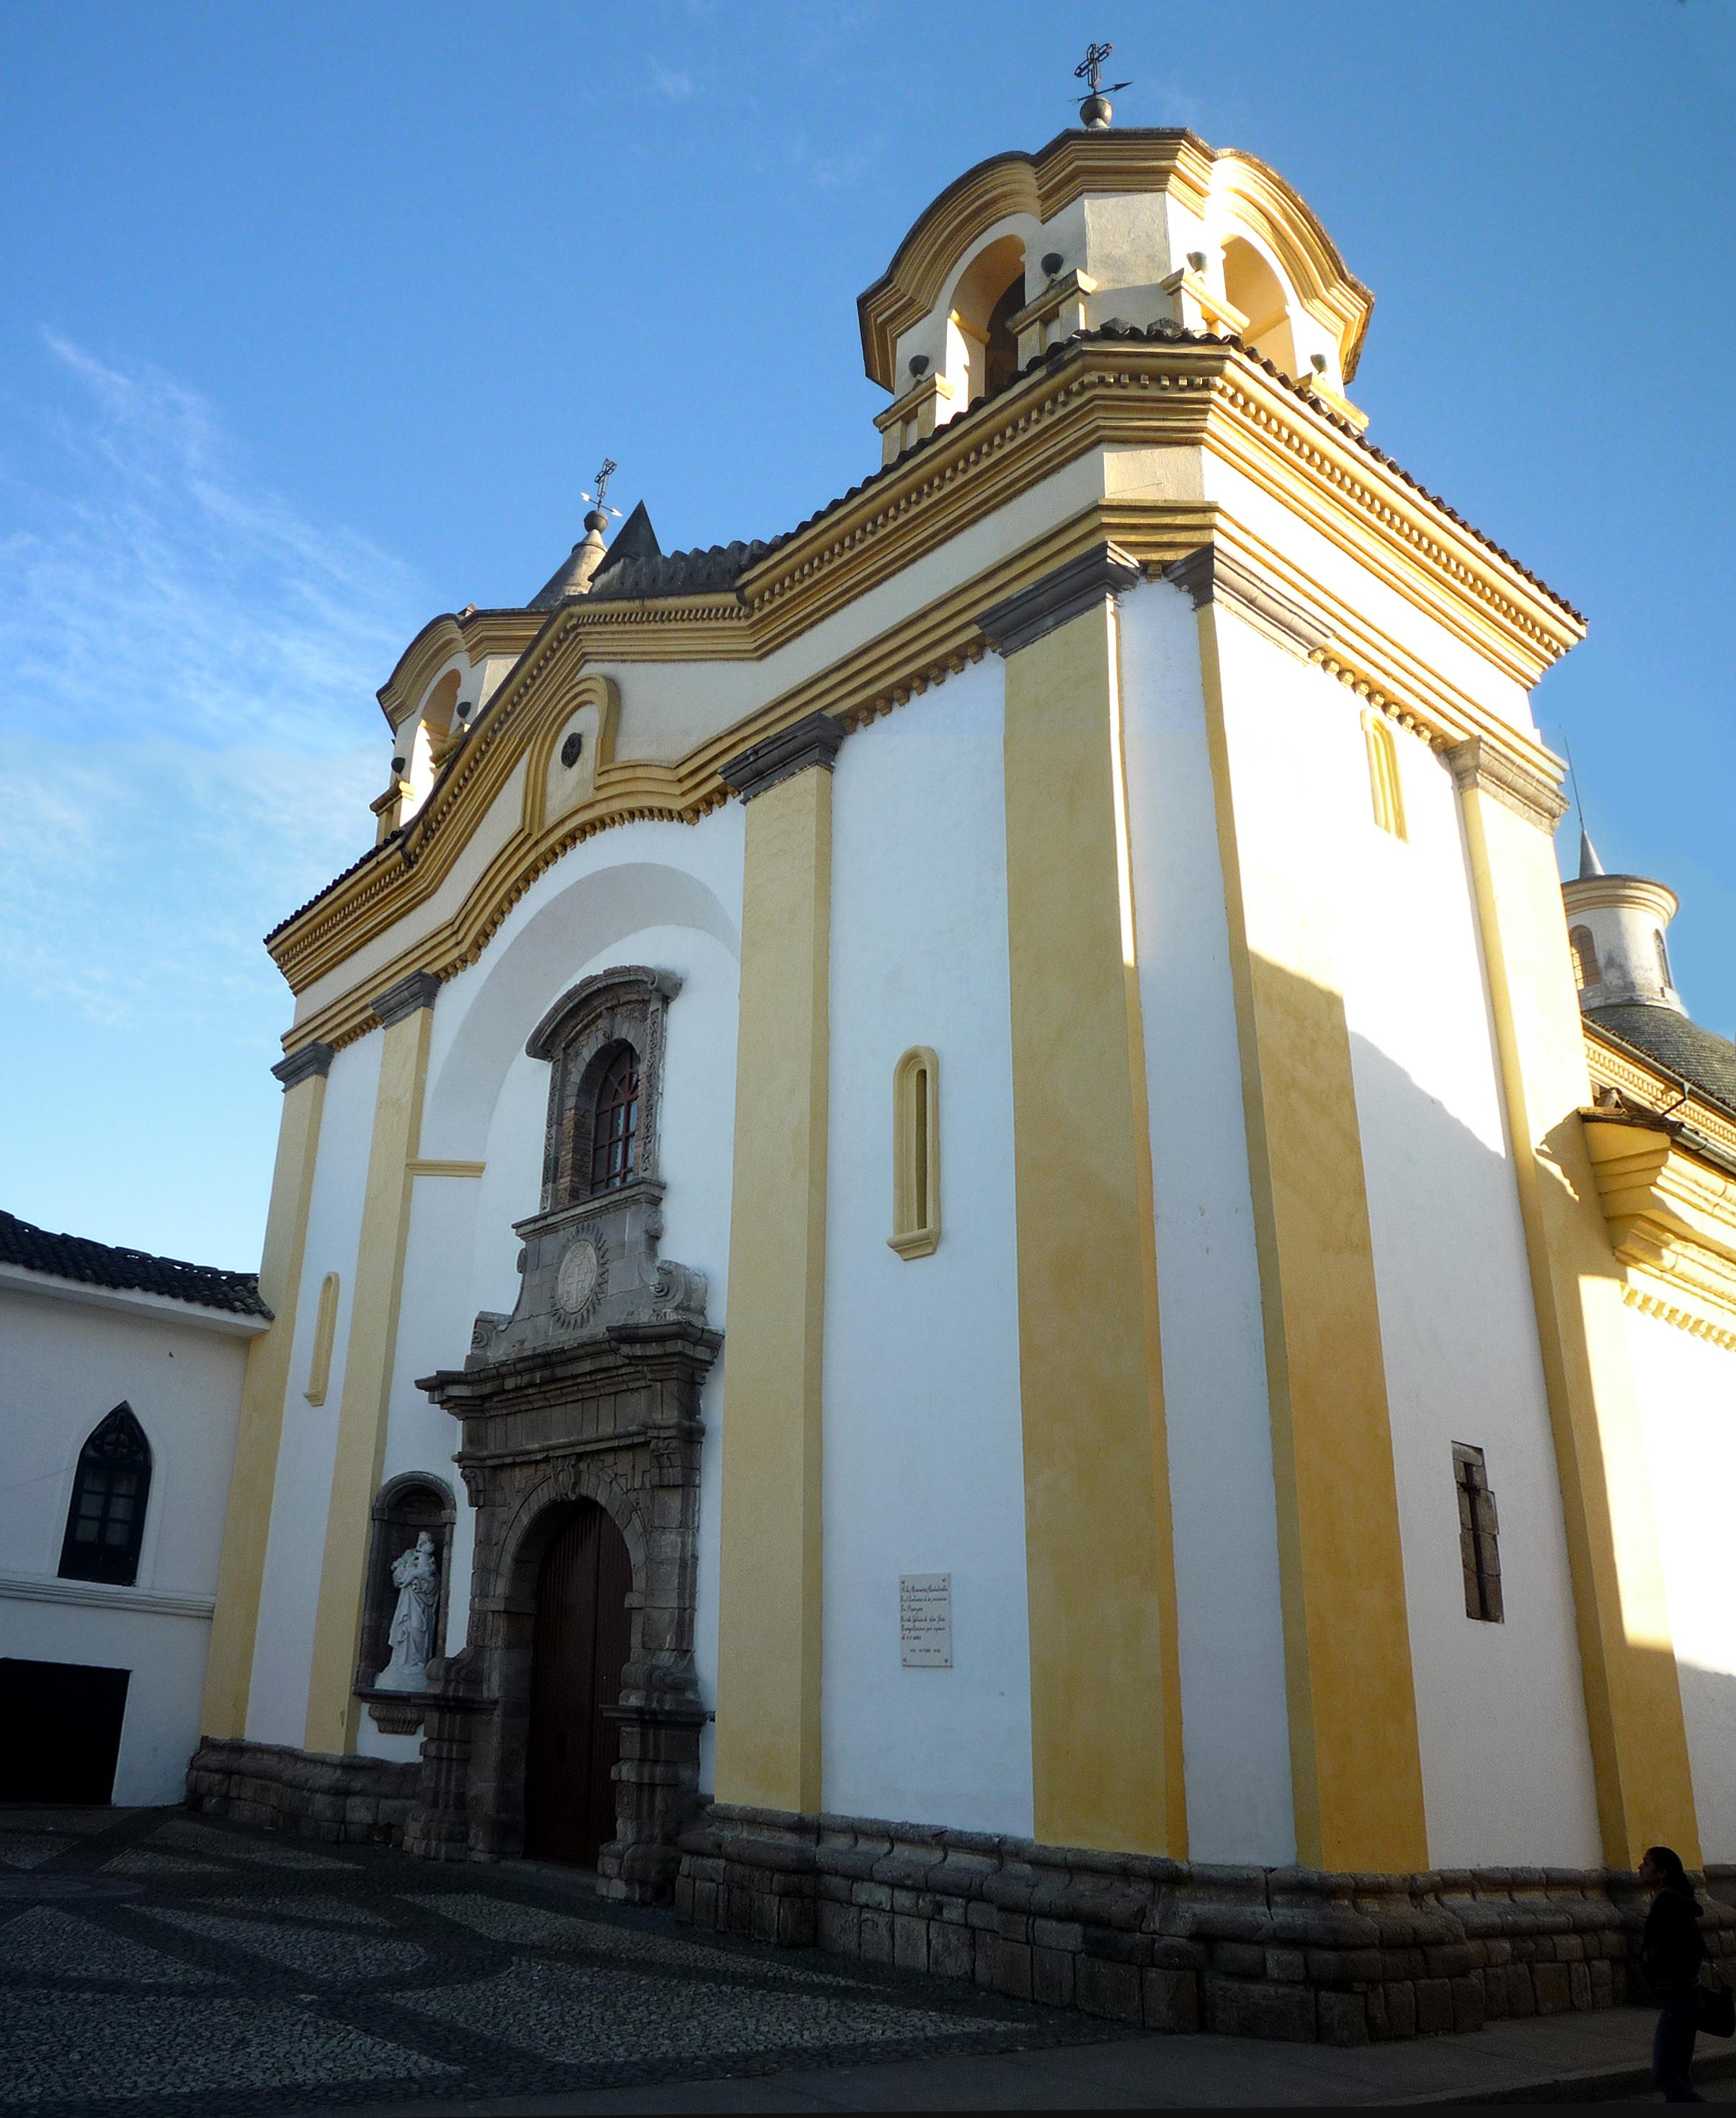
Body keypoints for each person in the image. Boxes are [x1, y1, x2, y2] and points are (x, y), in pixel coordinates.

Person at [1642, 1844, 1707, 2103]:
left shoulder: (1666, 1902)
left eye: (1647, 1863)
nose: (1640, 1868)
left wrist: (1652, 1963)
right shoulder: (1677, 1900)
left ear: (1662, 1872)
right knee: (1679, 2072)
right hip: (1686, 1995)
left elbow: (1672, 1948)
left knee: (1666, 2074)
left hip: (1678, 1997)